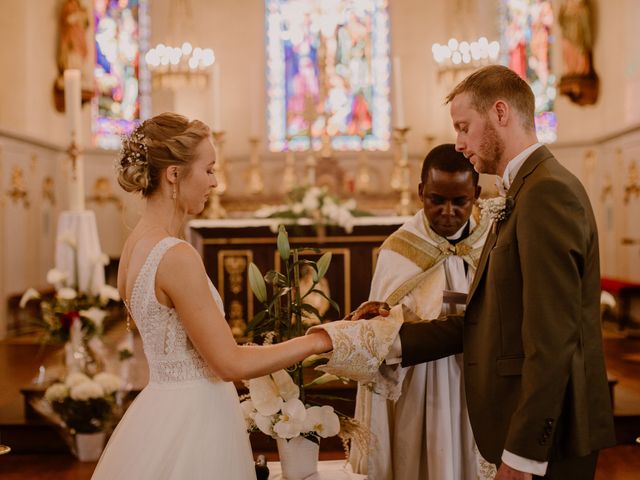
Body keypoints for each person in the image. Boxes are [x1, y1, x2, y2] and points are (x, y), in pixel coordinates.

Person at [322, 65, 615, 479]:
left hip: (552, 438)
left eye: (463, 127)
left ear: (500, 113)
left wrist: (523, 454)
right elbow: (487, 318)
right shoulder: (525, 190)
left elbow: (554, 337)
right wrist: (387, 334)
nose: (458, 144)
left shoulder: (545, 193)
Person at [92, 113, 332, 480]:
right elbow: (228, 364)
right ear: (173, 174)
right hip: (195, 418)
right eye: (208, 170)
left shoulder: (134, 246)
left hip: (161, 408)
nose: (215, 182)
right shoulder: (175, 255)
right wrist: (318, 341)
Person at [348, 144, 492, 480]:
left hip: (477, 373)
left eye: (460, 201)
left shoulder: (492, 242)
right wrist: (388, 317)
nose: (448, 211)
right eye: (436, 200)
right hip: (419, 379)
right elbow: (380, 331)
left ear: (477, 195)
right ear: (420, 192)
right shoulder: (400, 250)